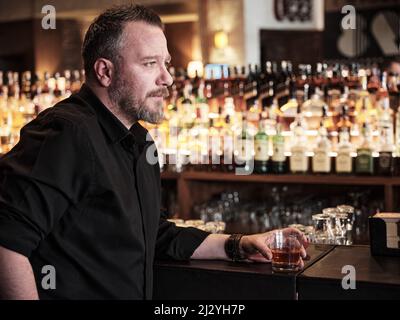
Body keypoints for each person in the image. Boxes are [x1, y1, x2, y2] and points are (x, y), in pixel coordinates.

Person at [0, 4, 308, 300]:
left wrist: (237, 245)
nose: (168, 79)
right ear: (105, 72)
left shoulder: (140, 141)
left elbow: (154, 234)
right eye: (150, 64)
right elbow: (7, 244)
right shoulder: (67, 132)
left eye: (166, 64)